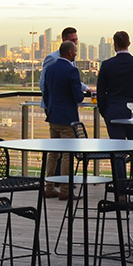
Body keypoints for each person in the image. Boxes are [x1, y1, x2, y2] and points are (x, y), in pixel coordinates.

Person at [95, 31, 133, 180]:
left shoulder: (107, 65)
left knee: (118, 151)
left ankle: (120, 188)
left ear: (114, 45)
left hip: (114, 113)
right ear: (129, 44)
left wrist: (106, 112)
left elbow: (100, 93)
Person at [43, 41, 84, 200]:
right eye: (75, 51)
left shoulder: (50, 69)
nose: (76, 54)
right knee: (68, 154)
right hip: (68, 119)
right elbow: (78, 97)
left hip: (53, 116)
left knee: (53, 154)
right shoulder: (72, 71)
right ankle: (65, 191)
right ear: (69, 53)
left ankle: (49, 187)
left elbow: (46, 94)